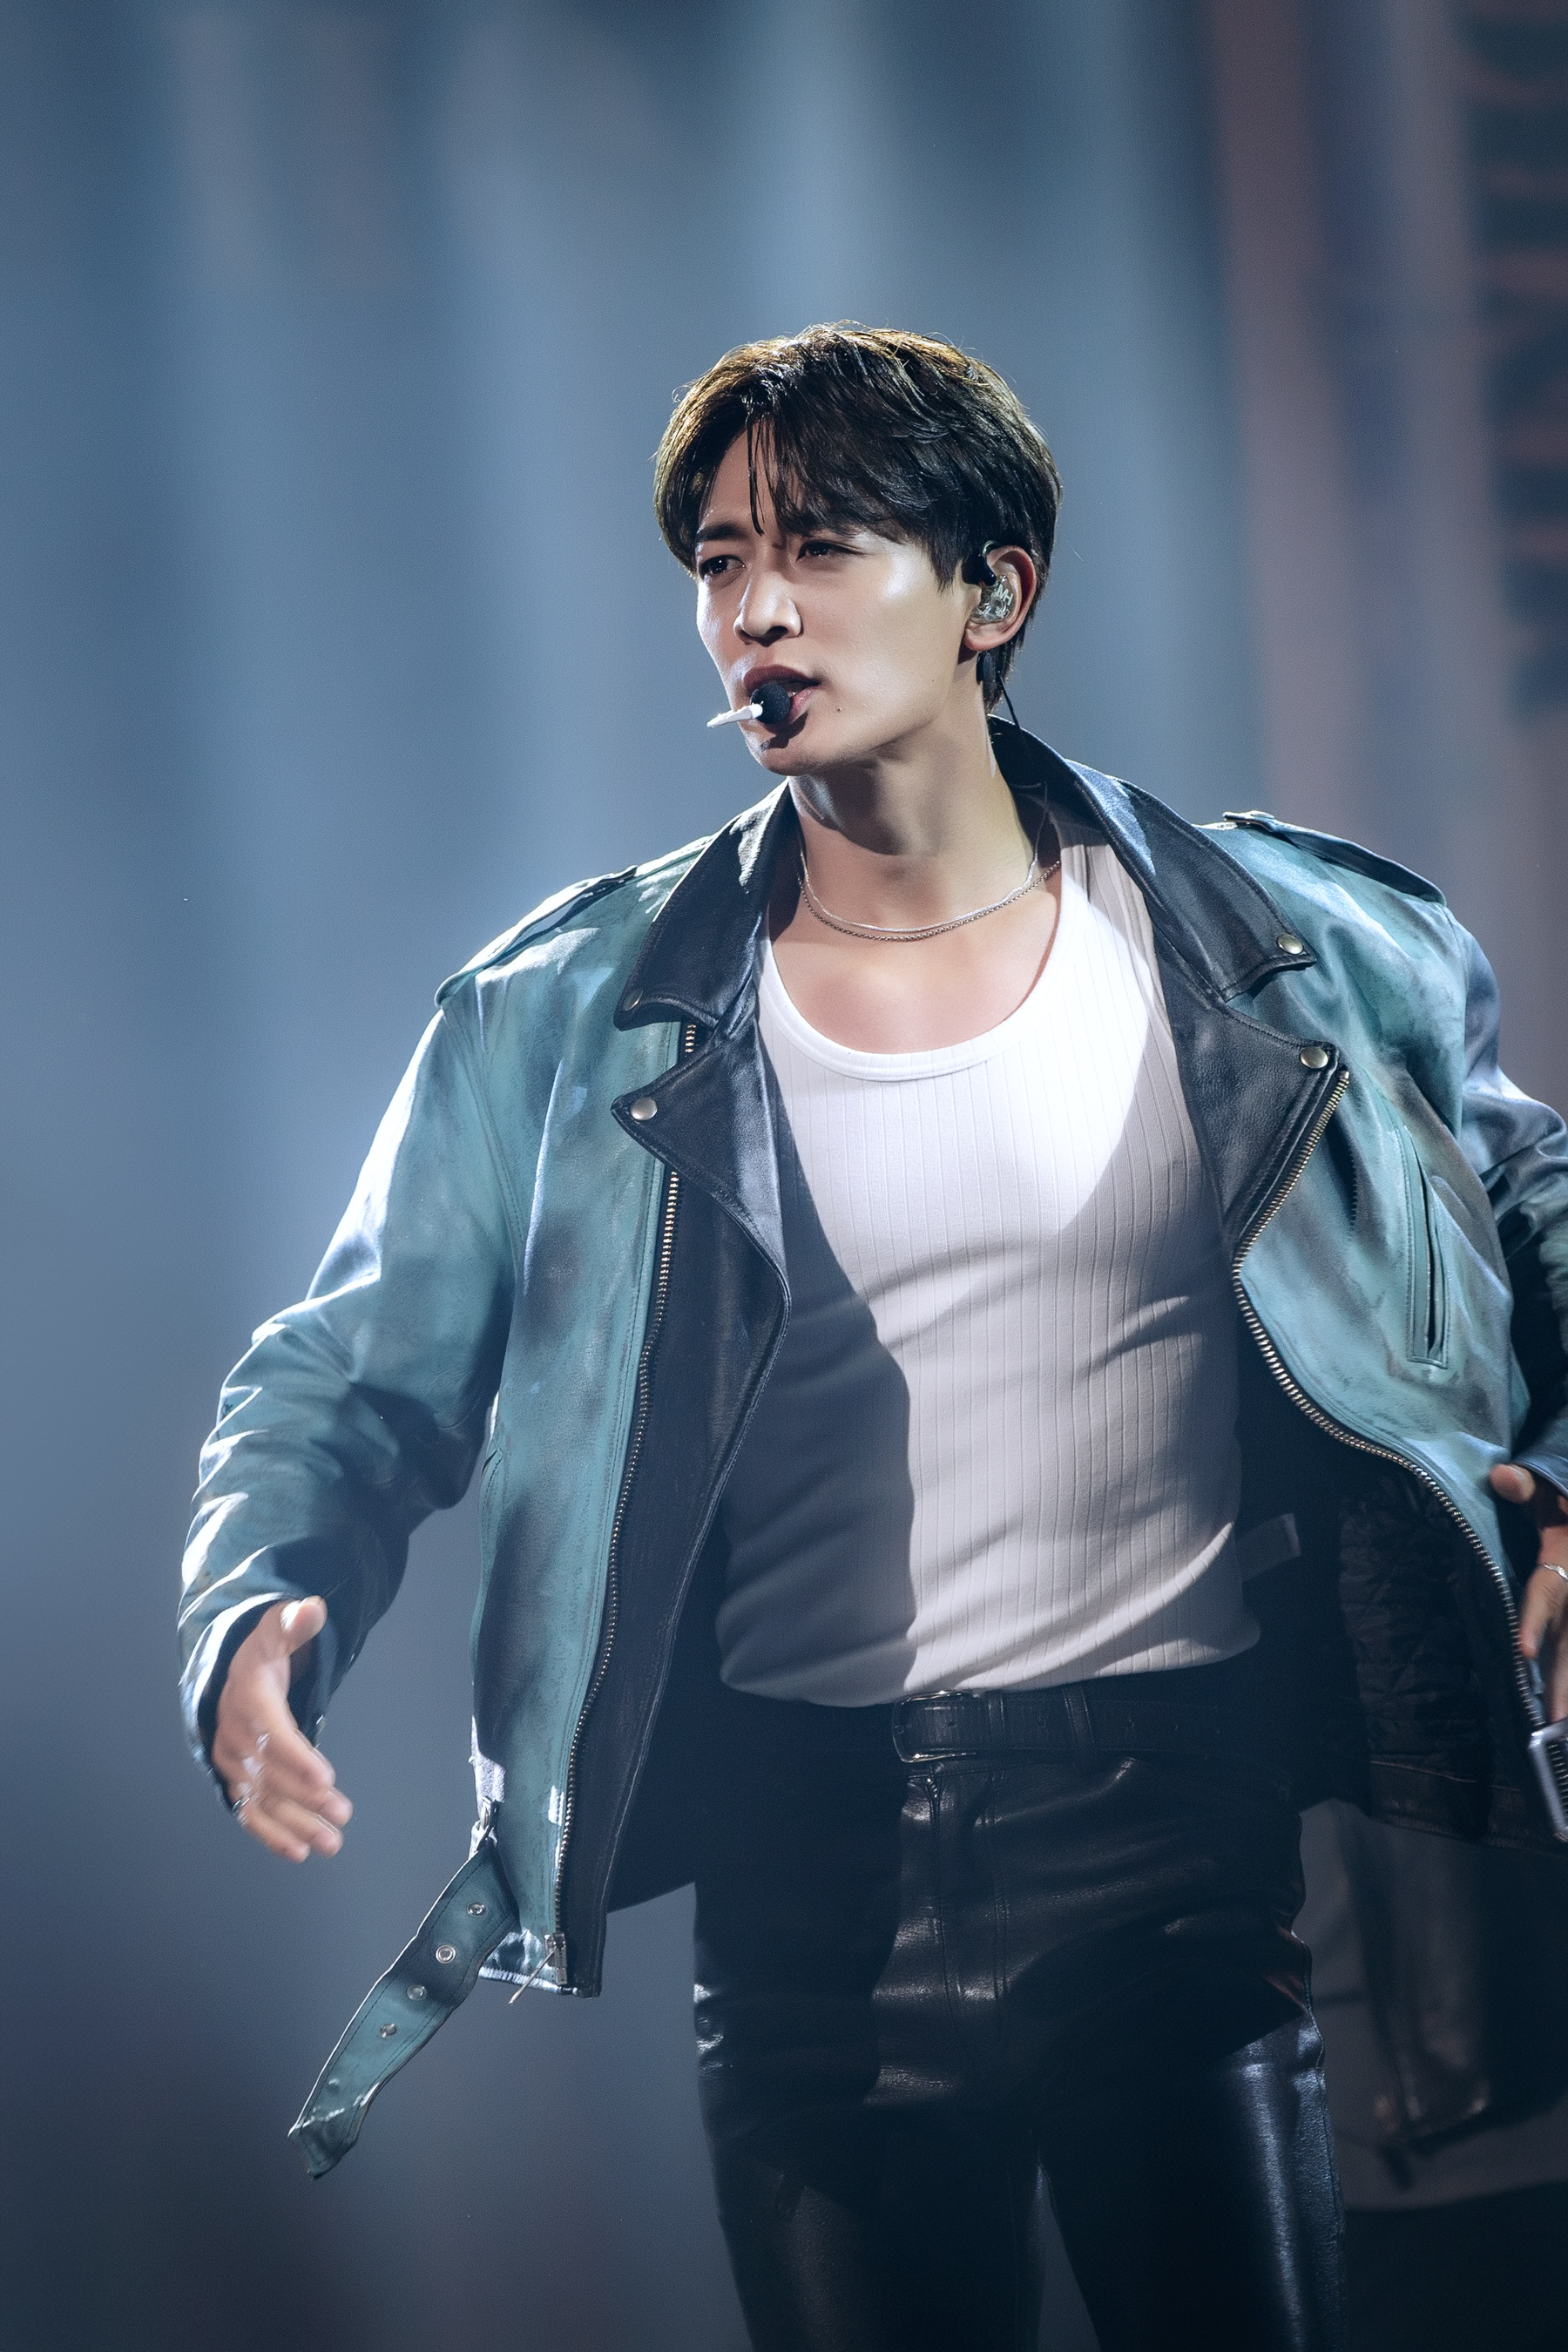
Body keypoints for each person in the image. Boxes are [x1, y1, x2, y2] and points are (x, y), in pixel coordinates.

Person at [178, 325, 1568, 2352]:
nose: (756, 610)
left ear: (993, 589)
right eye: (719, 561)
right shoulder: (570, 1016)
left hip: (1176, 1866)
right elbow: (348, 1367)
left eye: (820, 548)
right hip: (804, 1914)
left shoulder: (1293, 955)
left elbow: (1538, 1213)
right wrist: (256, 1601)